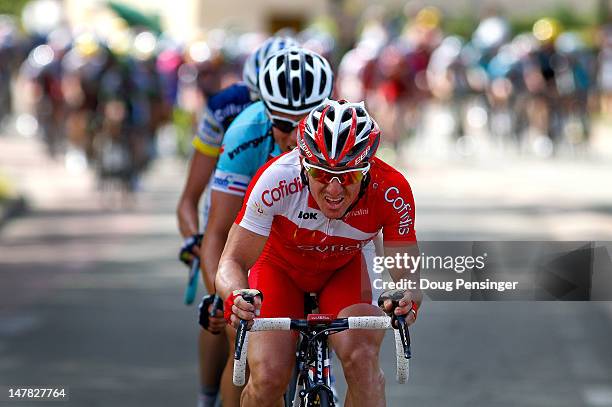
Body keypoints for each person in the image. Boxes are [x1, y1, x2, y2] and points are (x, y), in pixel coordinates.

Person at [215, 99, 422, 406]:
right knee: (268, 377)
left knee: (364, 365)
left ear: (367, 170)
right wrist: (236, 295)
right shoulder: (276, 179)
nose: (334, 190)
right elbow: (232, 260)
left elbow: (408, 274)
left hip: (346, 268)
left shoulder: (391, 190)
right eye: (321, 174)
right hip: (278, 268)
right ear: (302, 164)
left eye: (349, 176)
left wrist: (407, 300)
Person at [197, 46, 334, 406]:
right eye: (284, 125)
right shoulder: (245, 134)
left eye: (306, 122)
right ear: (266, 113)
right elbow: (218, 231)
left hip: (311, 244)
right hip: (254, 242)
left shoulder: (340, 130)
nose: (295, 136)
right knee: (239, 341)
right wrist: (221, 296)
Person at [175, 36, 298, 407]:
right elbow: (189, 201)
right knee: (227, 321)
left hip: (280, 221)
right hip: (229, 211)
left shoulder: (315, 117)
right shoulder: (229, 110)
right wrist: (195, 243)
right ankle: (206, 397)